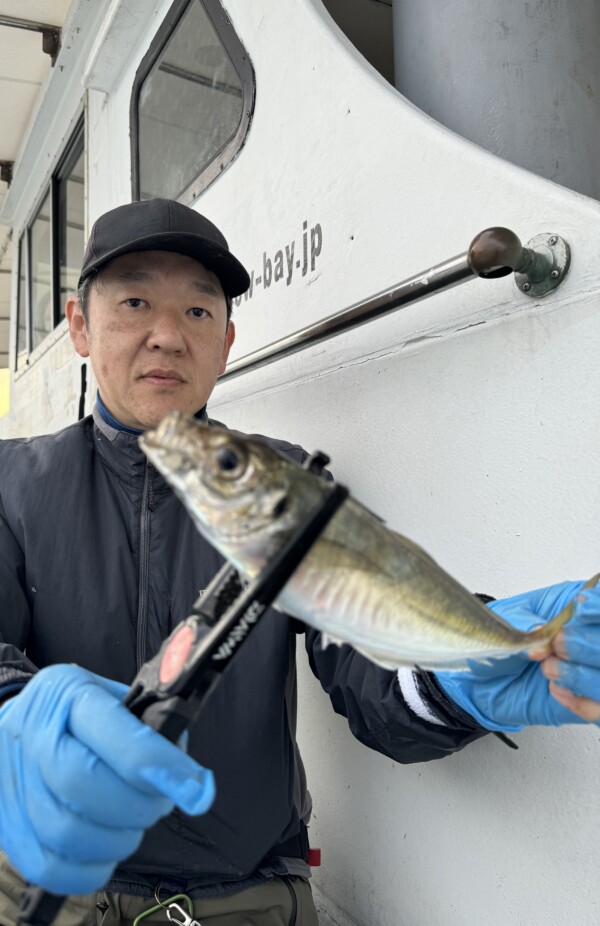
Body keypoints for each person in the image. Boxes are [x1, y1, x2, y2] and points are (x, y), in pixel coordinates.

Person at [0, 198, 598, 926]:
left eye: (197, 312)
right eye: (135, 302)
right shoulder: (12, 482)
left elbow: (363, 665)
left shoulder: (283, 478)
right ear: (81, 326)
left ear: (226, 341)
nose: (167, 336)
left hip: (249, 897)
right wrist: (19, 720)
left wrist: (457, 675)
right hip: (49, 883)